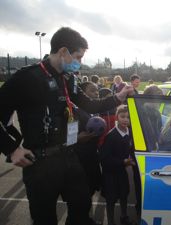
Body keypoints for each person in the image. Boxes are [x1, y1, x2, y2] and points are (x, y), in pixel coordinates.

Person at [0, 27, 133, 225]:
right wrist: (11, 149)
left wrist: (117, 98)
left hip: (69, 156)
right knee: (45, 218)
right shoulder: (27, 78)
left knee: (81, 206)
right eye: (78, 57)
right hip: (40, 164)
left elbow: (89, 103)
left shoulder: (67, 78)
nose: (79, 63)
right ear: (63, 51)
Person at [100, 105, 135, 225]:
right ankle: (110, 221)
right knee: (111, 199)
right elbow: (104, 159)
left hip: (121, 173)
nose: (126, 119)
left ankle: (124, 217)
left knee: (124, 195)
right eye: (123, 116)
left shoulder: (130, 132)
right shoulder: (111, 136)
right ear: (117, 117)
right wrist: (122, 162)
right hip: (110, 174)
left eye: (128, 117)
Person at [74, 81, 102, 197]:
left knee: (90, 190)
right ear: (82, 94)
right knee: (81, 193)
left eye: (97, 91)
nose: (96, 93)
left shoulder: (94, 111)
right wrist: (77, 138)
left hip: (92, 157)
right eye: (92, 90)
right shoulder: (75, 111)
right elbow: (68, 137)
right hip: (80, 161)